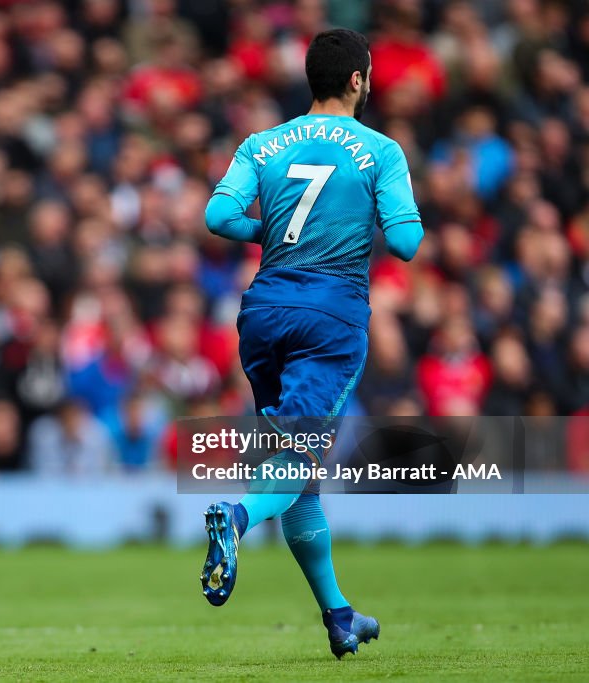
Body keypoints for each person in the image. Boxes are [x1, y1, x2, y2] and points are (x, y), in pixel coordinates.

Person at [200, 29, 423, 658]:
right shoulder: (380, 151)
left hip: (263, 313)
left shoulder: (263, 143)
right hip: (331, 316)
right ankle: (237, 519)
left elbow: (218, 218)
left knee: (299, 470)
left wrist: (271, 232)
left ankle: (338, 615)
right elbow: (406, 244)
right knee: (299, 458)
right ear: (358, 79)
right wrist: (376, 220)